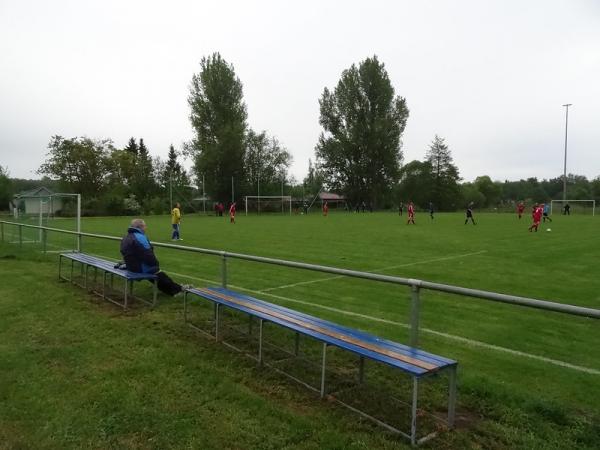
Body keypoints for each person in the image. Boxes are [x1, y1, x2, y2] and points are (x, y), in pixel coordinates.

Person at [120, 219, 185, 296]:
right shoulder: (140, 237)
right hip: (138, 268)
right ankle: (177, 290)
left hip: (131, 267)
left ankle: (174, 289)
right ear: (140, 227)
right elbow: (148, 254)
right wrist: (156, 264)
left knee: (155, 272)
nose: (146, 228)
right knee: (157, 272)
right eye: (145, 226)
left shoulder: (126, 237)